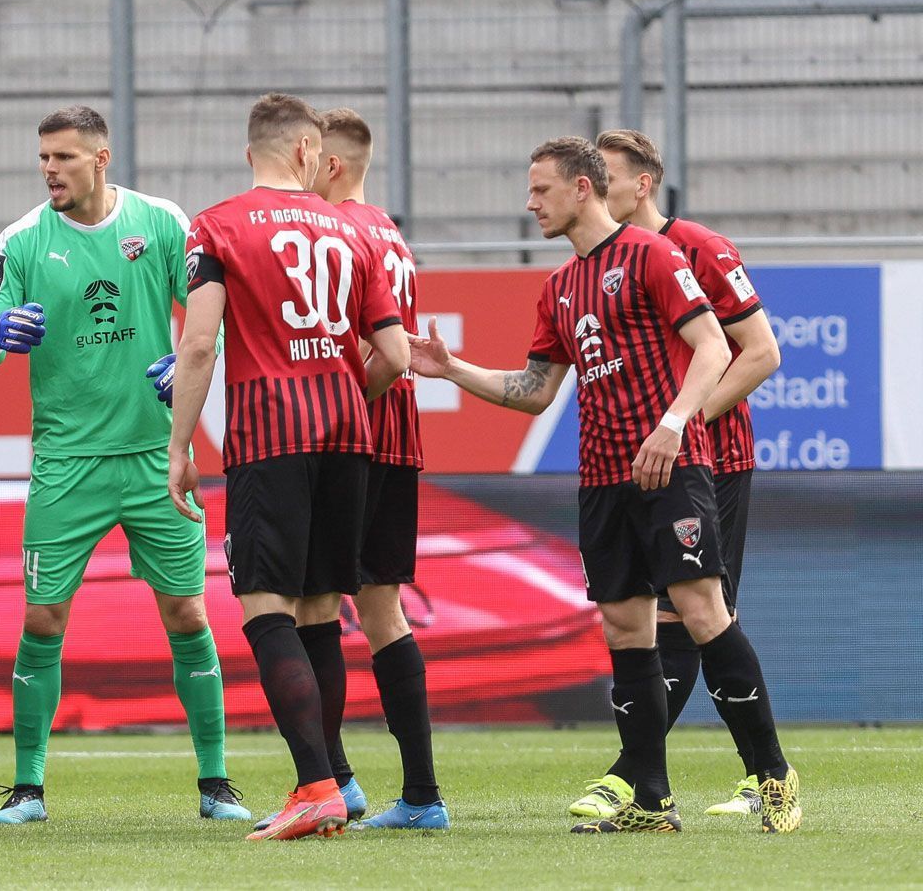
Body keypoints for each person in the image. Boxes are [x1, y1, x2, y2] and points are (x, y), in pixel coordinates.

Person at [409, 136, 799, 834]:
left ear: (582, 188)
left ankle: (772, 775)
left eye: (541, 191)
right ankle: (652, 801)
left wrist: (675, 423)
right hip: (602, 478)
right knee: (625, 629)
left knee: (704, 612)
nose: (530, 204)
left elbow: (716, 345)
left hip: (670, 467)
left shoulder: (653, 255)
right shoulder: (559, 286)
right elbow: (534, 391)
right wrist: (453, 369)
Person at [0, 105, 247, 825]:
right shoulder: (23, 239)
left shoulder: (159, 223)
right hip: (66, 461)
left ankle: (216, 785)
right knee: (44, 614)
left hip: (157, 456)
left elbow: (219, 314)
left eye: (63, 157)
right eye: (43, 159)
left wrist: (182, 363)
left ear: (101, 157)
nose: (50, 170)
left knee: (186, 612)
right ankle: (28, 790)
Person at [166, 93, 409, 841]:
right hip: (350, 437)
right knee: (318, 613)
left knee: (264, 606)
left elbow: (200, 344)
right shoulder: (355, 227)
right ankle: (330, 782)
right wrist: (338, 389)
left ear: (254, 153)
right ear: (310, 152)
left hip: (272, 438)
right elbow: (395, 357)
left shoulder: (217, 224)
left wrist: (180, 446)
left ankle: (316, 788)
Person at [564, 128, 782, 821]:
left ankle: (738, 777)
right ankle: (643, 781)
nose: (600, 185)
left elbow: (759, 352)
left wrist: (682, 424)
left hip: (704, 456)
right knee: (657, 620)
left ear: (642, 184)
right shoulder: (594, 267)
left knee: (699, 616)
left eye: (613, 176)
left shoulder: (697, 248)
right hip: (637, 460)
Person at [293, 107, 448, 831]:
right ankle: (421, 795)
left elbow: (368, 351)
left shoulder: (338, 230)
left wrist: (338, 405)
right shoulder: (390, 229)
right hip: (401, 435)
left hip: (353, 435)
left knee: (309, 605)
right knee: (380, 611)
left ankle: (334, 781)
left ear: (331, 165)